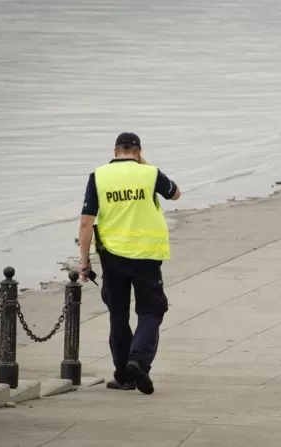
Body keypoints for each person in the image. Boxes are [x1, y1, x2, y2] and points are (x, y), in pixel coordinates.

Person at [77, 132, 181, 395]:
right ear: (138, 151)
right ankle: (139, 361)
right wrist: (144, 165)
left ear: (115, 152)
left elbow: (86, 222)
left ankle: (124, 376)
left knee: (118, 314)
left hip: (112, 257)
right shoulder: (149, 173)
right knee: (151, 311)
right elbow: (176, 193)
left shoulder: (98, 176)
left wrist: (84, 260)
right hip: (146, 256)